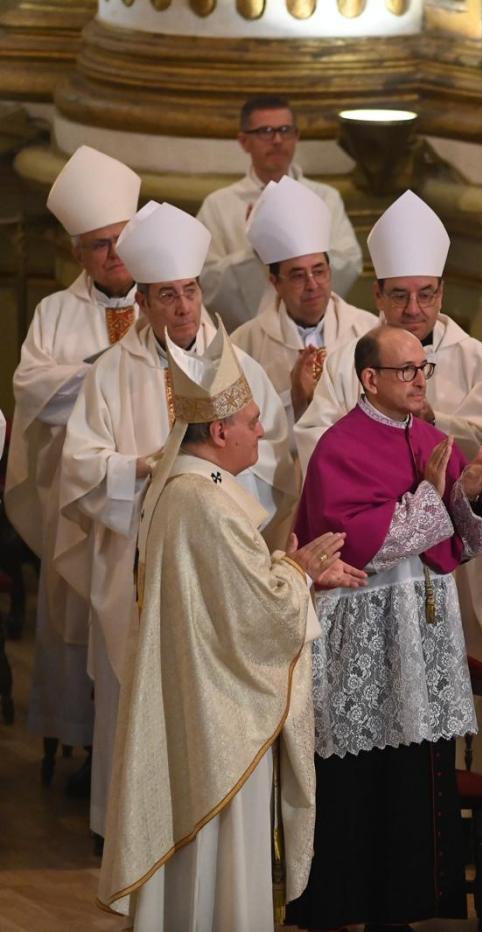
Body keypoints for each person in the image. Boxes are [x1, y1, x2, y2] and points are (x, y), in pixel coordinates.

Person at [97, 323, 366, 929]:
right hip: (222, 721)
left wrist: (293, 571)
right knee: (222, 865)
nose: (261, 431)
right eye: (250, 421)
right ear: (219, 431)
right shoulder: (206, 503)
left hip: (207, 702)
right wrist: (297, 575)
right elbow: (259, 614)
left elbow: (233, 596)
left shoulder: (189, 489)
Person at [55, 201, 295, 844]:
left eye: (190, 291)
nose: (184, 307)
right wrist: (135, 467)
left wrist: (213, 488)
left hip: (219, 557)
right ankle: (129, 828)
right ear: (147, 302)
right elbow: (79, 466)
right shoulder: (112, 372)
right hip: (140, 558)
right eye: (168, 296)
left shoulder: (238, 367)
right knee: (136, 684)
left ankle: (211, 821)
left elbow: (272, 455)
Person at [294, 189, 482, 812]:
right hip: (370, 590)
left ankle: (450, 830)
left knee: (432, 737)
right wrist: (390, 428)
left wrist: (438, 443)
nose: (413, 307)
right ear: (378, 296)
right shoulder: (359, 362)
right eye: (398, 294)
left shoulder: (476, 359)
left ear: (443, 293)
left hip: (445, 581)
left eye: (426, 294)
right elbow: (319, 443)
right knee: (377, 745)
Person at [285, 325, 482, 928]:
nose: (418, 379)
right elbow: (363, 541)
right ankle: (339, 905)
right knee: (358, 778)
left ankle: (403, 906)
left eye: (423, 368)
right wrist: (435, 495)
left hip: (424, 632)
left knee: (416, 776)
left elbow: (470, 541)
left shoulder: (434, 438)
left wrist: (472, 496)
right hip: (364, 632)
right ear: (370, 378)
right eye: (405, 370)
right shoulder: (338, 447)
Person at [7, 146, 140, 788]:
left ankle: (137, 745)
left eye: (120, 239)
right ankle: (86, 742)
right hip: (79, 494)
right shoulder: (56, 313)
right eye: (97, 244)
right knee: (77, 611)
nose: (112, 254)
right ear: (77, 253)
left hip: (145, 496)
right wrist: (100, 376)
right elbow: (32, 387)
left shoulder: (171, 300)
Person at [197, 95, 362, 329]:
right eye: (265, 131)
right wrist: (255, 251)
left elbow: (349, 263)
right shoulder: (218, 205)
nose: (277, 140)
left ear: (297, 136)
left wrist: (301, 248)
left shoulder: (324, 197)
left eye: (285, 130)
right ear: (244, 141)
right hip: (247, 338)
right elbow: (206, 282)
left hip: (320, 331)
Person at [231, 175, 376, 426]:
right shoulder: (244, 345)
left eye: (319, 271)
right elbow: (240, 433)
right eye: (298, 275)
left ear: (330, 272)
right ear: (275, 283)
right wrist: (294, 398)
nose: (312, 284)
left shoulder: (369, 331)